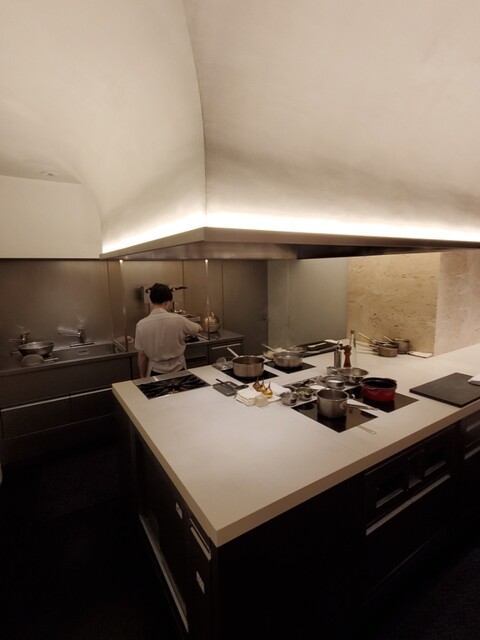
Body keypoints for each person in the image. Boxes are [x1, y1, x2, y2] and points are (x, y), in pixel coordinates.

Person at [135, 283, 203, 378]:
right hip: (179, 369)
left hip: (155, 371)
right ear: (167, 302)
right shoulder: (178, 319)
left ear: (151, 301)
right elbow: (199, 329)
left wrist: (142, 376)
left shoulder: (141, 325)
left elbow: (142, 355)